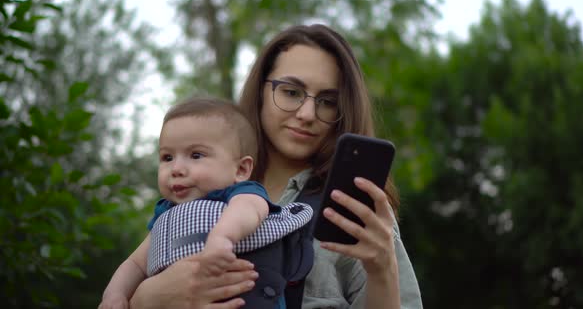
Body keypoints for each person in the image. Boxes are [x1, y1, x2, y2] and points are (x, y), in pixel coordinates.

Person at [129, 24, 423, 309]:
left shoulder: (352, 212)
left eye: (327, 101)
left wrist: (384, 269)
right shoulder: (198, 185)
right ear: (260, 91)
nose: (307, 114)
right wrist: (146, 300)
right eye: (291, 92)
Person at [99, 97, 313, 309]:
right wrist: (114, 294)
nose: (176, 168)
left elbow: (249, 210)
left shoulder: (241, 194)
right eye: (167, 157)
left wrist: (223, 236)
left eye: (196, 155)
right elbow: (135, 264)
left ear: (240, 170)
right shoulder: (165, 216)